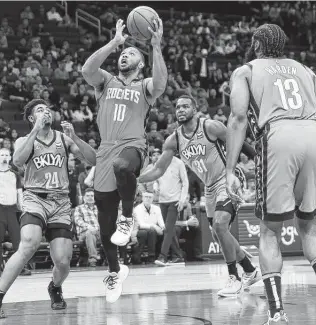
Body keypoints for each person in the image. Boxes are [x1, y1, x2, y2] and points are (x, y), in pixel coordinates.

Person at [225, 23, 316, 324]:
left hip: (279, 136)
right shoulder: (305, 69)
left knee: (269, 231)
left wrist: (229, 170)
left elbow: (238, 119)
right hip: (313, 133)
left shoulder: (246, 70)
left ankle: (277, 313)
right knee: (310, 226)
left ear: (258, 45)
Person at [139, 95, 261, 297]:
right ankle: (250, 270)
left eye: (186, 106)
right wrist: (135, 178)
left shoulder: (211, 127)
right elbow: (158, 170)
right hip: (210, 186)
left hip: (227, 177)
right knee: (218, 234)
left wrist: (260, 162)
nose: (180, 110)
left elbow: (239, 142)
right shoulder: (174, 139)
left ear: (194, 110)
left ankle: (234, 278)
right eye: (177, 106)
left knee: (221, 226)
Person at [81, 18, 167, 303]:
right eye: (122, 54)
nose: (124, 56)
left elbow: (162, 84)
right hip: (105, 150)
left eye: (130, 53)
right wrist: (113, 43)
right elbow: (86, 69)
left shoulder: (144, 86)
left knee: (122, 166)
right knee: (105, 230)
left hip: (133, 146)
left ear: (141, 64)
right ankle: (116, 272)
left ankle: (128, 218)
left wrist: (156, 48)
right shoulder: (105, 81)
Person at [0, 99, 96, 318]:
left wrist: (76, 138)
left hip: (60, 202)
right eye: (40, 110)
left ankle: (54, 287)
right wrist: (35, 130)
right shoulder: (26, 139)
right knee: (29, 243)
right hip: (35, 198)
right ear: (33, 118)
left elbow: (93, 159)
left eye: (47, 108)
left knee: (63, 261)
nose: (46, 112)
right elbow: (17, 160)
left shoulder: (63, 138)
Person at [153, 155, 189, 266]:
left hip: (175, 200)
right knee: (169, 229)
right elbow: (156, 179)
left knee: (168, 229)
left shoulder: (179, 163)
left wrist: (182, 199)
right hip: (162, 200)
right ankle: (178, 256)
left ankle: (162, 256)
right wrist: (155, 186)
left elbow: (185, 182)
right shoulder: (159, 162)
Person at [0, 148, 30, 276]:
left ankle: (20, 268)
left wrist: (22, 206)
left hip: (12, 210)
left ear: (10, 157)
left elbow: (19, 192)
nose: (4, 157)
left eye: (6, 155)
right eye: (2, 155)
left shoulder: (15, 174)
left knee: (18, 240)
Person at [74, 188, 100, 267]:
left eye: (92, 196)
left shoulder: (98, 208)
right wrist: (89, 226)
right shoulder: (79, 208)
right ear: (84, 198)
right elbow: (78, 221)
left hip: (98, 233)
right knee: (89, 233)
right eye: (88, 196)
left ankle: (114, 259)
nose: (90, 197)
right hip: (84, 234)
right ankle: (93, 259)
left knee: (110, 232)